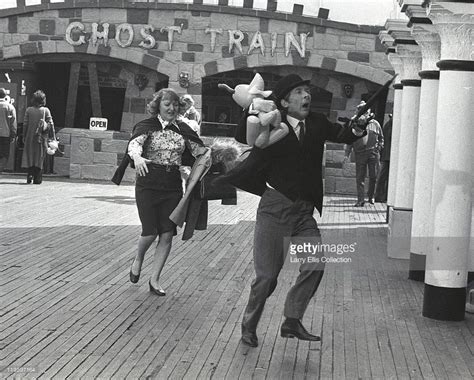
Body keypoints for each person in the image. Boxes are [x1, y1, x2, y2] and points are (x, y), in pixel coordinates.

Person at [223, 74, 369, 347]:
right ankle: (249, 324)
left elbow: (343, 134)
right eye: (299, 92)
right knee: (267, 277)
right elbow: (241, 134)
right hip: (275, 208)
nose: (306, 96)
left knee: (315, 265)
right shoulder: (270, 124)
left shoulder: (315, 123)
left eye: (307, 91)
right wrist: (252, 109)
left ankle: (291, 320)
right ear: (284, 101)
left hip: (303, 213)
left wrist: (358, 127)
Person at [123, 88, 209, 296]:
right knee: (150, 231)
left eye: (175, 105)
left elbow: (200, 151)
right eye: (167, 104)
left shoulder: (184, 129)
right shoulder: (148, 126)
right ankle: (139, 259)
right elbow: (134, 145)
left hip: (171, 185)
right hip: (148, 183)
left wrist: (210, 158)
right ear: (158, 106)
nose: (171, 108)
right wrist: (137, 157)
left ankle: (155, 279)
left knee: (167, 233)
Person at [344, 102, 384, 206]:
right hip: (360, 153)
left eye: (366, 110)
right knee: (360, 177)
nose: (365, 112)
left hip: (373, 153)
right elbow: (349, 139)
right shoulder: (354, 123)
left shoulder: (375, 124)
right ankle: (360, 200)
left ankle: (371, 197)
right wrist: (346, 154)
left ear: (369, 111)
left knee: (373, 176)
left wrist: (379, 147)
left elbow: (381, 138)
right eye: (362, 109)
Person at [21, 90, 54, 184]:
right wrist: (53, 136)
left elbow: (25, 124)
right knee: (40, 156)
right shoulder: (45, 110)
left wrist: (24, 135)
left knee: (30, 155)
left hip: (30, 137)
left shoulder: (28, 110)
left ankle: (30, 174)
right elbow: (51, 124)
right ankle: (37, 178)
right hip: (41, 137)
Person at [374, 114, 392, 202]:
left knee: (385, 177)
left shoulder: (389, 124)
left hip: (387, 155)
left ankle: (383, 196)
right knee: (383, 177)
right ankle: (379, 196)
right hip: (388, 156)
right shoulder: (390, 125)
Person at [0, 88, 17, 173]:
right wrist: (13, 135)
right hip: (5, 135)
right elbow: (13, 123)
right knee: (4, 154)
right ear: (5, 96)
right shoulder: (10, 107)